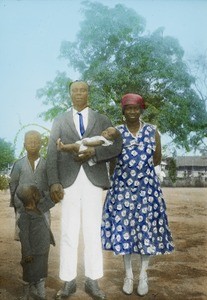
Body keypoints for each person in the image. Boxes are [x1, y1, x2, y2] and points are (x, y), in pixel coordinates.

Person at [46, 80, 122, 300]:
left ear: (89, 93)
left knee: (91, 231)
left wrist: (95, 155)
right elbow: (52, 152)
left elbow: (117, 146)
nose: (79, 93)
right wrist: (53, 182)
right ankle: (68, 281)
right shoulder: (60, 119)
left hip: (93, 179)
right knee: (69, 231)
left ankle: (93, 280)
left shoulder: (102, 119)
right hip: (68, 181)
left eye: (83, 90)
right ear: (69, 93)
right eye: (75, 90)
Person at [101, 93, 174, 296]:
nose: (132, 112)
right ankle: (128, 275)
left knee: (145, 231)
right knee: (125, 231)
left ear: (141, 110)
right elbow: (112, 161)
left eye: (136, 108)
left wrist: (141, 175)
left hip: (147, 190)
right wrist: (119, 181)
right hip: (122, 189)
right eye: (128, 109)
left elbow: (156, 159)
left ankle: (143, 275)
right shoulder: (117, 132)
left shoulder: (152, 131)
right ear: (123, 111)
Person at [17, 184, 56, 300]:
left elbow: (50, 202)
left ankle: (40, 294)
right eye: (37, 193)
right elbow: (23, 236)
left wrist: (55, 193)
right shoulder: (25, 215)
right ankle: (26, 295)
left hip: (43, 250)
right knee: (28, 274)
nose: (40, 194)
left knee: (41, 273)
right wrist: (27, 253)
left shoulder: (39, 209)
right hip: (32, 253)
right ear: (33, 197)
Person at [9, 130, 50, 241]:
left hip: (42, 206)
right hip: (23, 206)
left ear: (41, 144)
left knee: (42, 235)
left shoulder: (46, 164)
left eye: (36, 142)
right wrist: (16, 203)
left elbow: (50, 185)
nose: (32, 144)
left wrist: (45, 202)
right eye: (29, 142)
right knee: (24, 235)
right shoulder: (18, 164)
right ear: (24, 145)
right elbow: (13, 185)